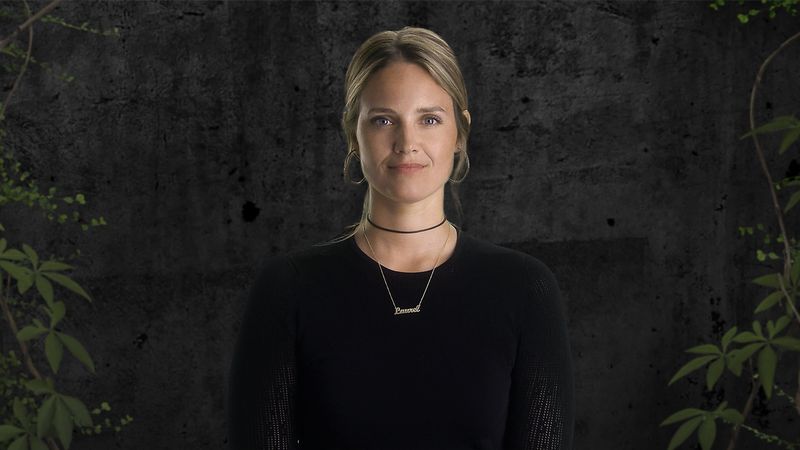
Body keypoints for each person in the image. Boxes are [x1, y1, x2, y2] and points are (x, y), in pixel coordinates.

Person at [226, 26, 574, 450]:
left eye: (429, 119)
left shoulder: (525, 288)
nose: (407, 142)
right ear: (354, 133)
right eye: (384, 120)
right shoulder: (288, 287)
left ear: (460, 133)